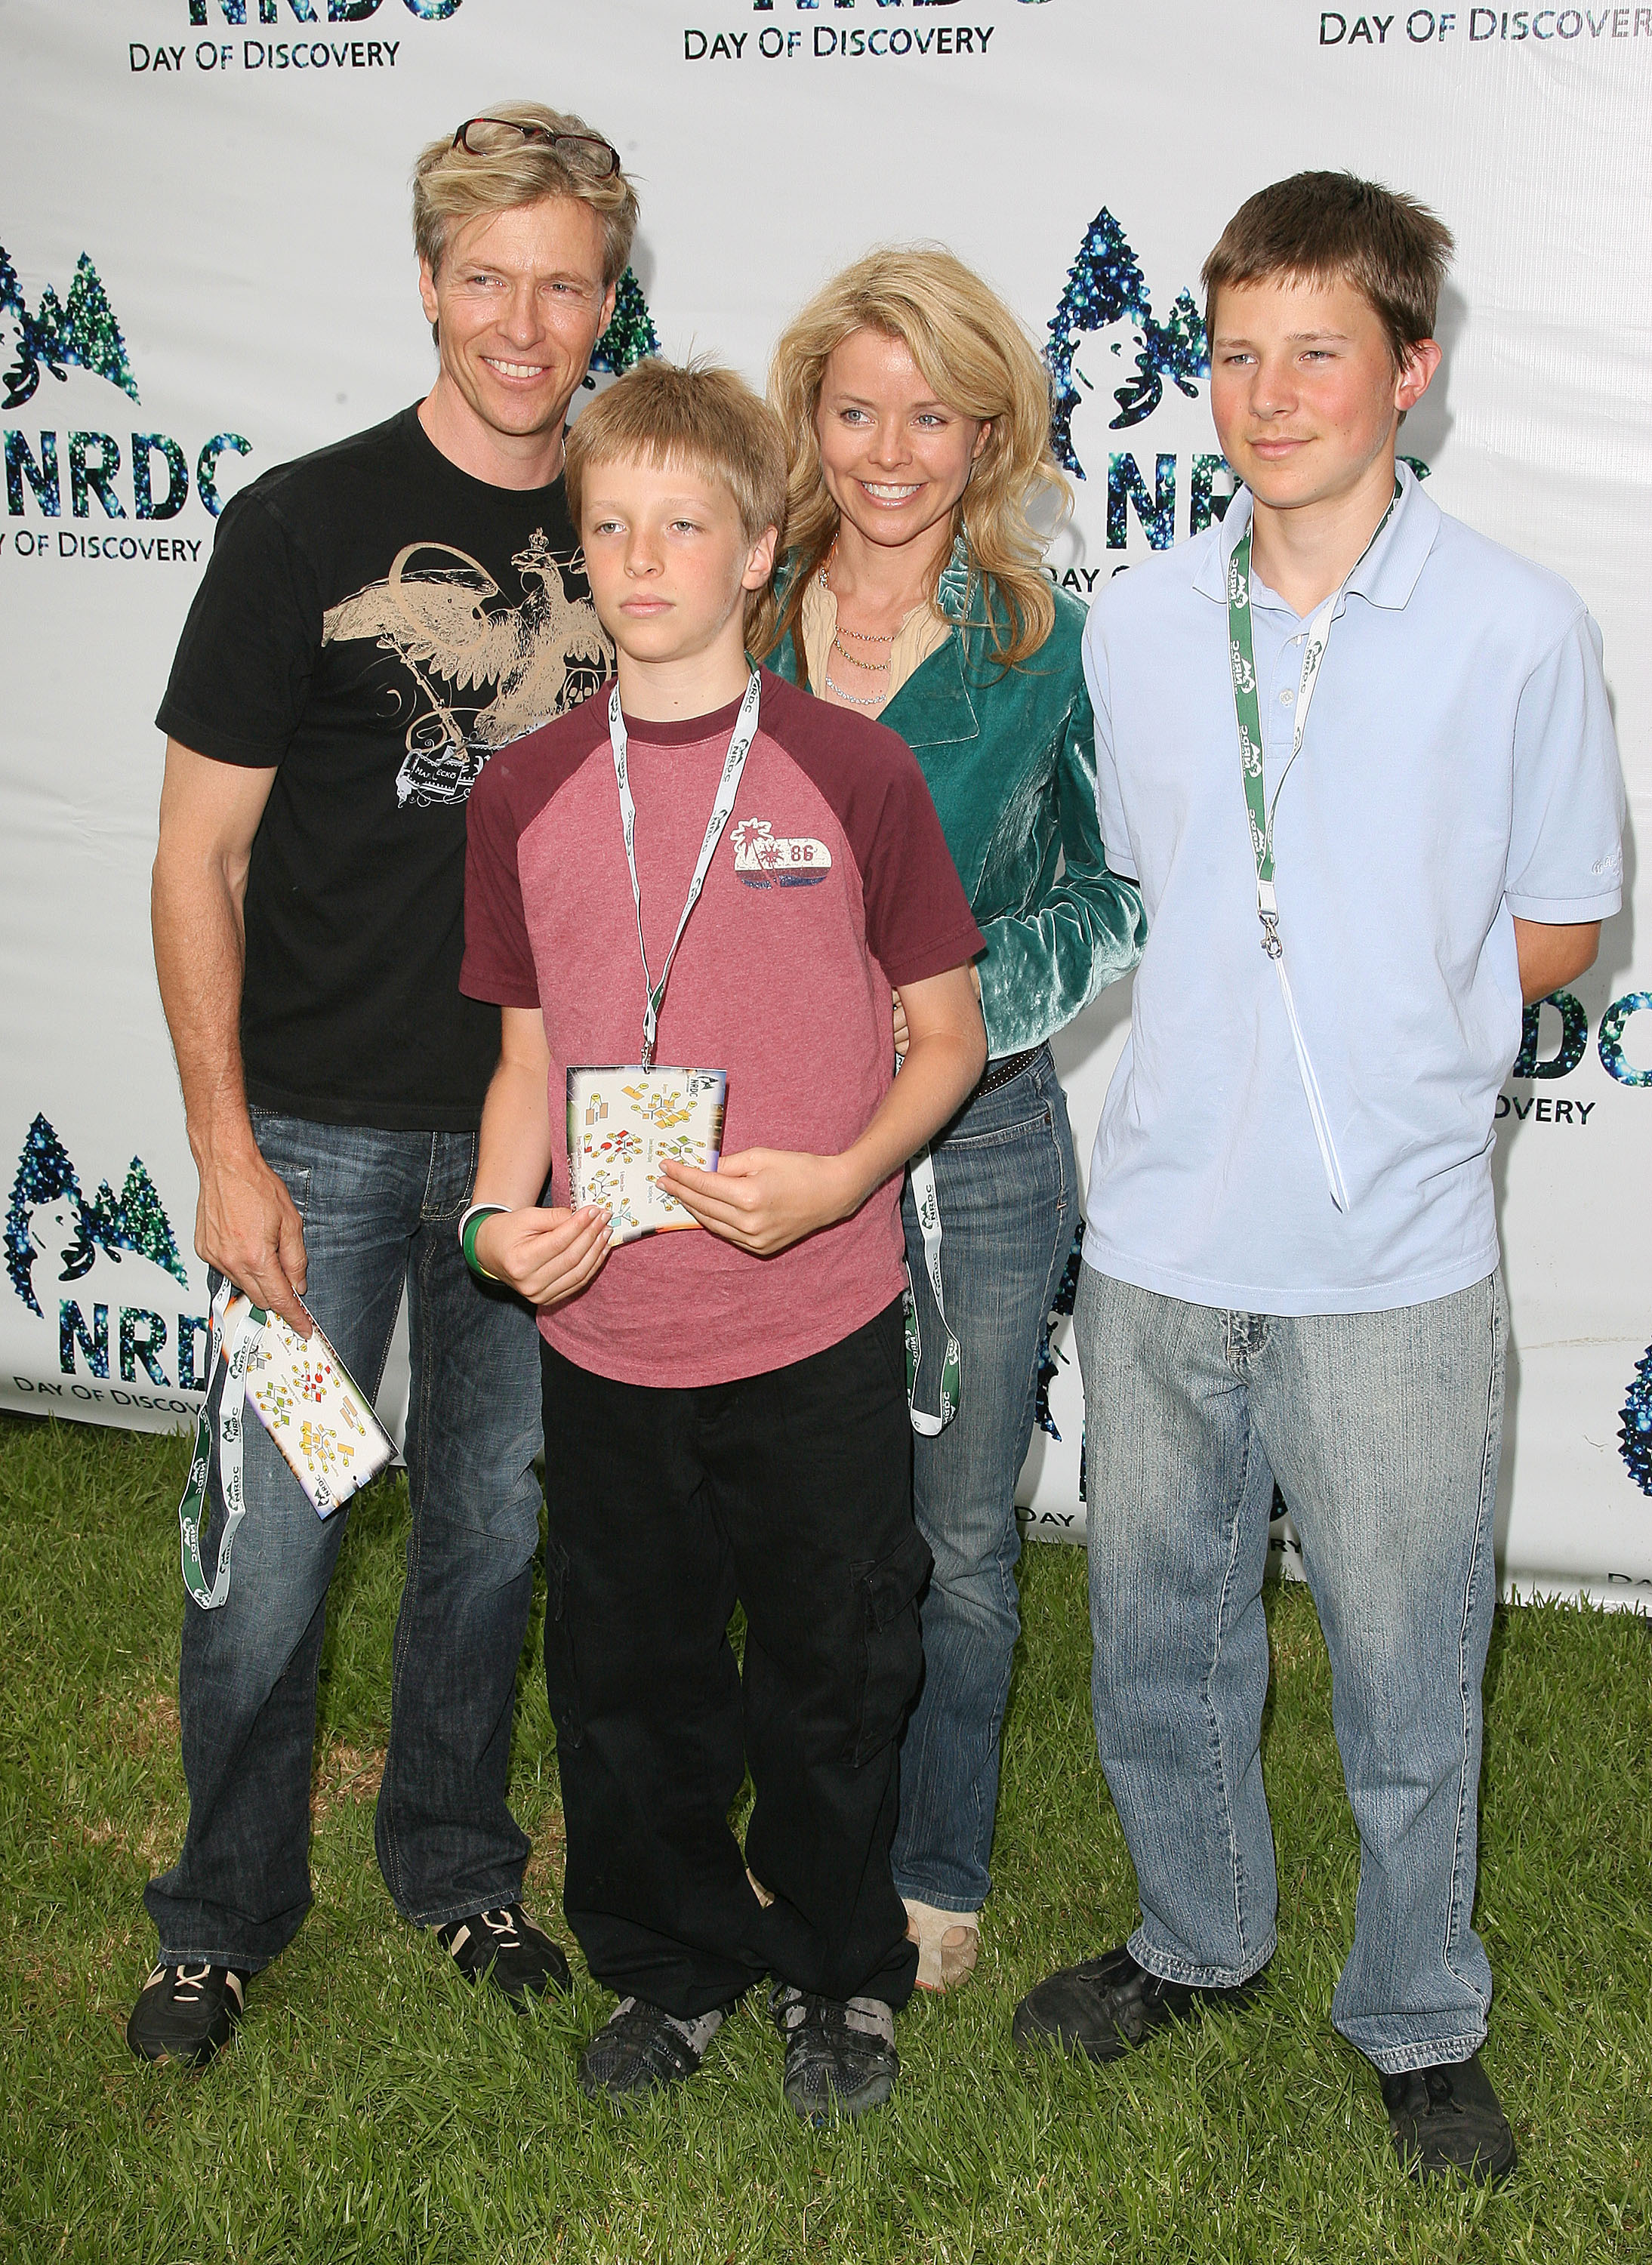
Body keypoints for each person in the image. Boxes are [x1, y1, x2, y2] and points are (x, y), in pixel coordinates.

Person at [1012, 174, 1626, 2184]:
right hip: (1166, 1237)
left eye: (1316, 353)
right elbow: (1106, 892)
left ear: (1410, 371)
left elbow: (1556, 925)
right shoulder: (1133, 625)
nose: (1266, 397)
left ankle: (1417, 2012)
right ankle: (1195, 1943)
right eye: (1234, 355)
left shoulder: (1517, 627)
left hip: (1395, 1262)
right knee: (1156, 1638)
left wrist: (1403, 1021)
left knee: (1404, 1668)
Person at [131, 104, 638, 2067]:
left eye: (564, 283)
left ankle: (452, 1867)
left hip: (544, 1144)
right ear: (428, 282)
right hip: (322, 1151)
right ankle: (218, 1912)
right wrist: (222, 1150)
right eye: (488, 278)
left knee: (495, 1535)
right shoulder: (301, 526)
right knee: (280, 1534)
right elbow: (198, 859)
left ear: (608, 295)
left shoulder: (638, 522)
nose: (525, 322)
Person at [458, 358, 988, 2119]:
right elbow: (529, 1055)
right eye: (607, 525)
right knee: (629, 1673)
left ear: (761, 546)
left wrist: (840, 1181)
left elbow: (948, 1036)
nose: (640, 557)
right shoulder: (525, 787)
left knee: (835, 1664)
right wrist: (491, 1213)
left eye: (684, 523)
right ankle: (672, 1961)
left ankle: (842, 1972)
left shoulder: (852, 771)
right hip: (610, 1340)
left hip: (816, 1324)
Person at [764, 248, 1145, 1989]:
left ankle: (933, 1867)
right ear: (810, 418)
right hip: (749, 1146)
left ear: (990, 431)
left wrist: (937, 1013)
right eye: (856, 409)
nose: (890, 450)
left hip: (975, 1150)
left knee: (958, 1535)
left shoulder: (1044, 652)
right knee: (775, 1521)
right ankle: (786, 1841)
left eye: (932, 413)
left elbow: (1105, 896)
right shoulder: (736, 612)